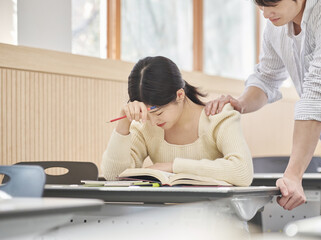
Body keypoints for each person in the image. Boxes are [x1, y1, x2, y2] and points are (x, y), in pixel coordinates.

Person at [205, 0, 321, 210]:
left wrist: (294, 175)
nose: (266, 14)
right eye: (260, 6)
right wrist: (240, 103)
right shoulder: (278, 23)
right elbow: (266, 78)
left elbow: (316, 94)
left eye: (272, 4)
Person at [101, 56, 253, 186]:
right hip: (163, 216)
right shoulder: (145, 126)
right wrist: (124, 124)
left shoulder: (219, 117)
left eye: (158, 112)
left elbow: (242, 171)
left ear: (180, 95)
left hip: (218, 215)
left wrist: (173, 167)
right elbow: (114, 176)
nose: (153, 122)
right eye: (147, 115)